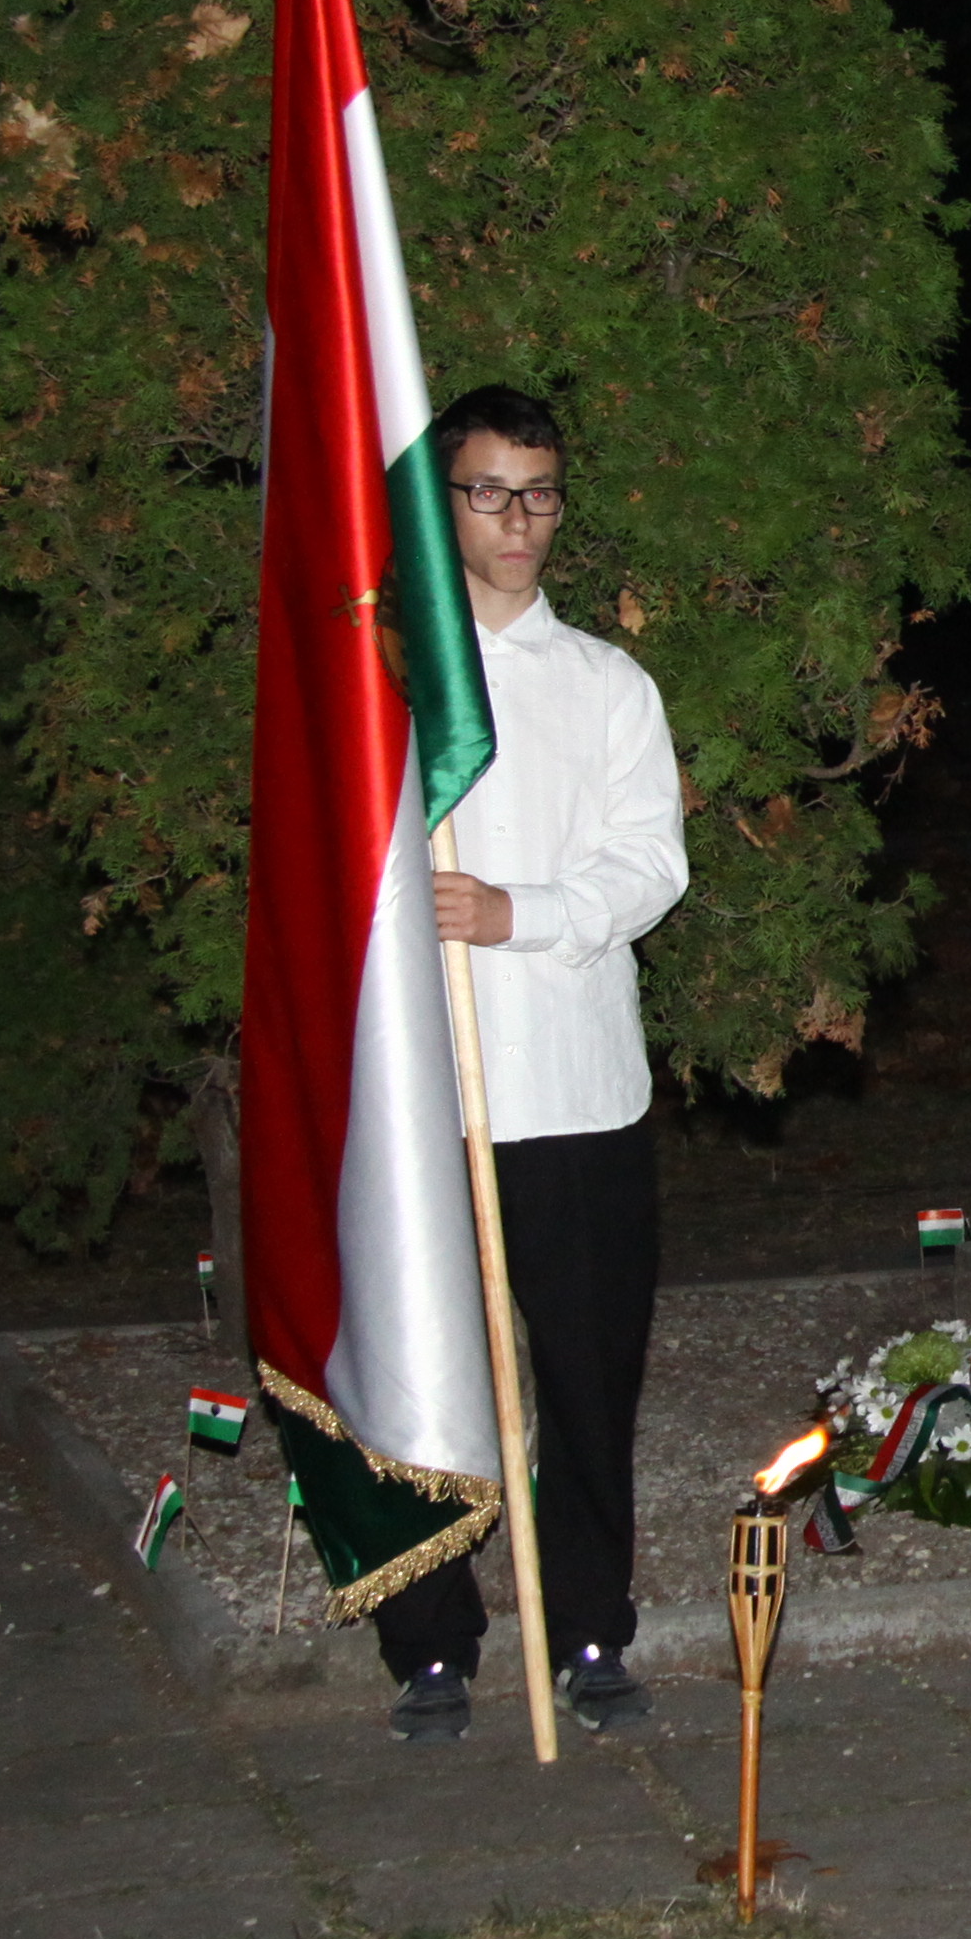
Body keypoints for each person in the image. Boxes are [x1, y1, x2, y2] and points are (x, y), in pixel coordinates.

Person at [379, 384, 690, 1741]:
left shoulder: (607, 685)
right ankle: (430, 1642)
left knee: (585, 1376)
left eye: (540, 493)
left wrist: (522, 912)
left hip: (573, 1088)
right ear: (441, 505)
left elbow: (650, 864)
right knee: (426, 1382)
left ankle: (589, 1631)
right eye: (490, 492)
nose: (518, 520)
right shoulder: (389, 684)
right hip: (425, 1097)